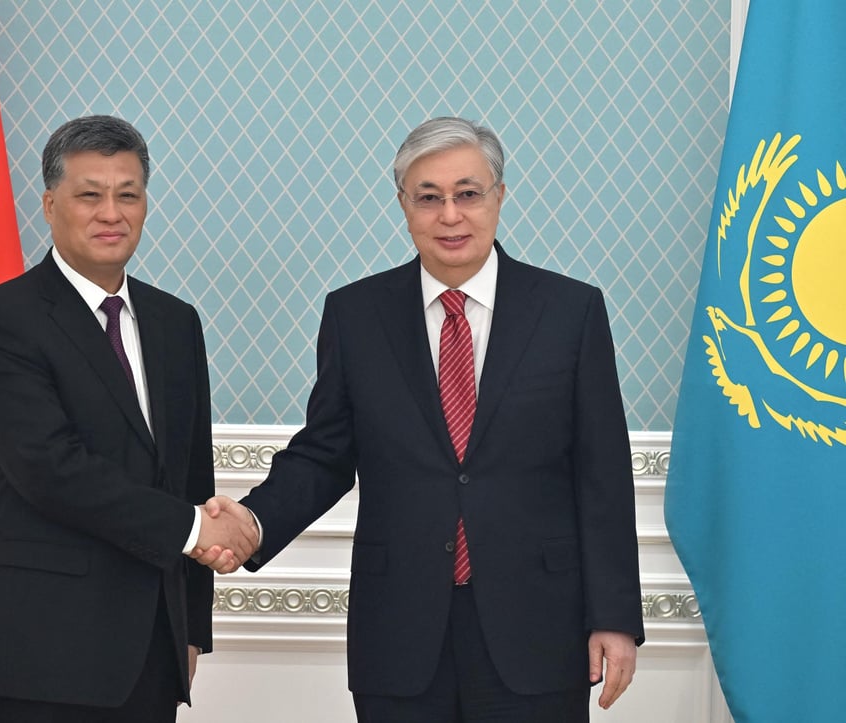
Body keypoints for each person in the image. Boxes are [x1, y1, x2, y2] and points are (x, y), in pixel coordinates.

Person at [196, 116, 644, 722]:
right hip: (401, 630)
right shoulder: (356, 314)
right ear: (403, 205)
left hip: (538, 627)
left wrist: (614, 617)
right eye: (428, 198)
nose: (450, 215)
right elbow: (325, 454)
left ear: (500, 197)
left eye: (468, 193)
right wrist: (252, 521)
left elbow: (604, 476)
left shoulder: (570, 311)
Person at [0, 115, 258, 722]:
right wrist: (196, 531)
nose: (110, 213)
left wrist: (191, 629)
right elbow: (50, 469)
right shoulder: (2, 319)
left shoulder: (175, 322)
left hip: (150, 656)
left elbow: (190, 475)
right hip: (34, 656)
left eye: (127, 194)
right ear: (50, 203)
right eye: (90, 194)